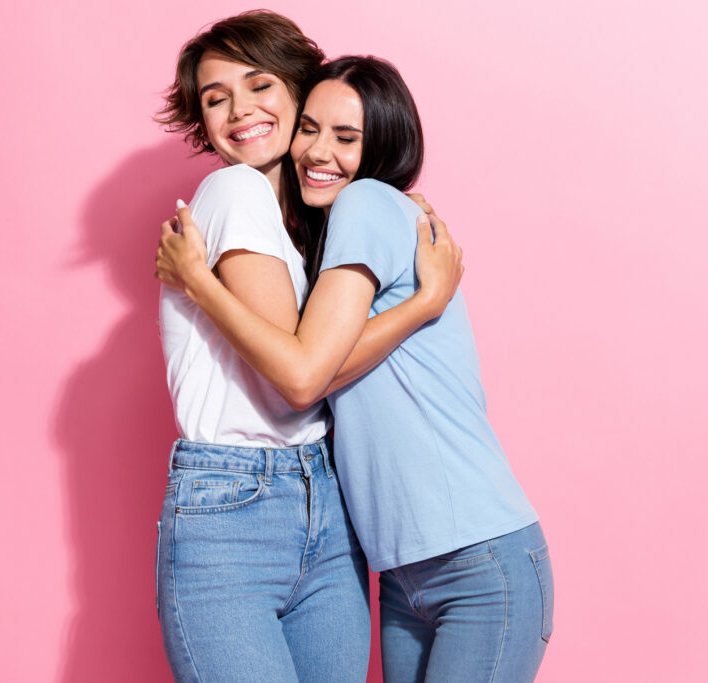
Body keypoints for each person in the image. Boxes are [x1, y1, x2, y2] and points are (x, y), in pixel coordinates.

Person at [157, 55, 553, 683]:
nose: (318, 151)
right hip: (400, 573)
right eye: (309, 129)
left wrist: (199, 282)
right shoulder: (323, 232)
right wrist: (422, 303)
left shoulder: (366, 202)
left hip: (476, 559)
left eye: (347, 138)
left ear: (381, 149)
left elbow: (302, 378)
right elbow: (311, 370)